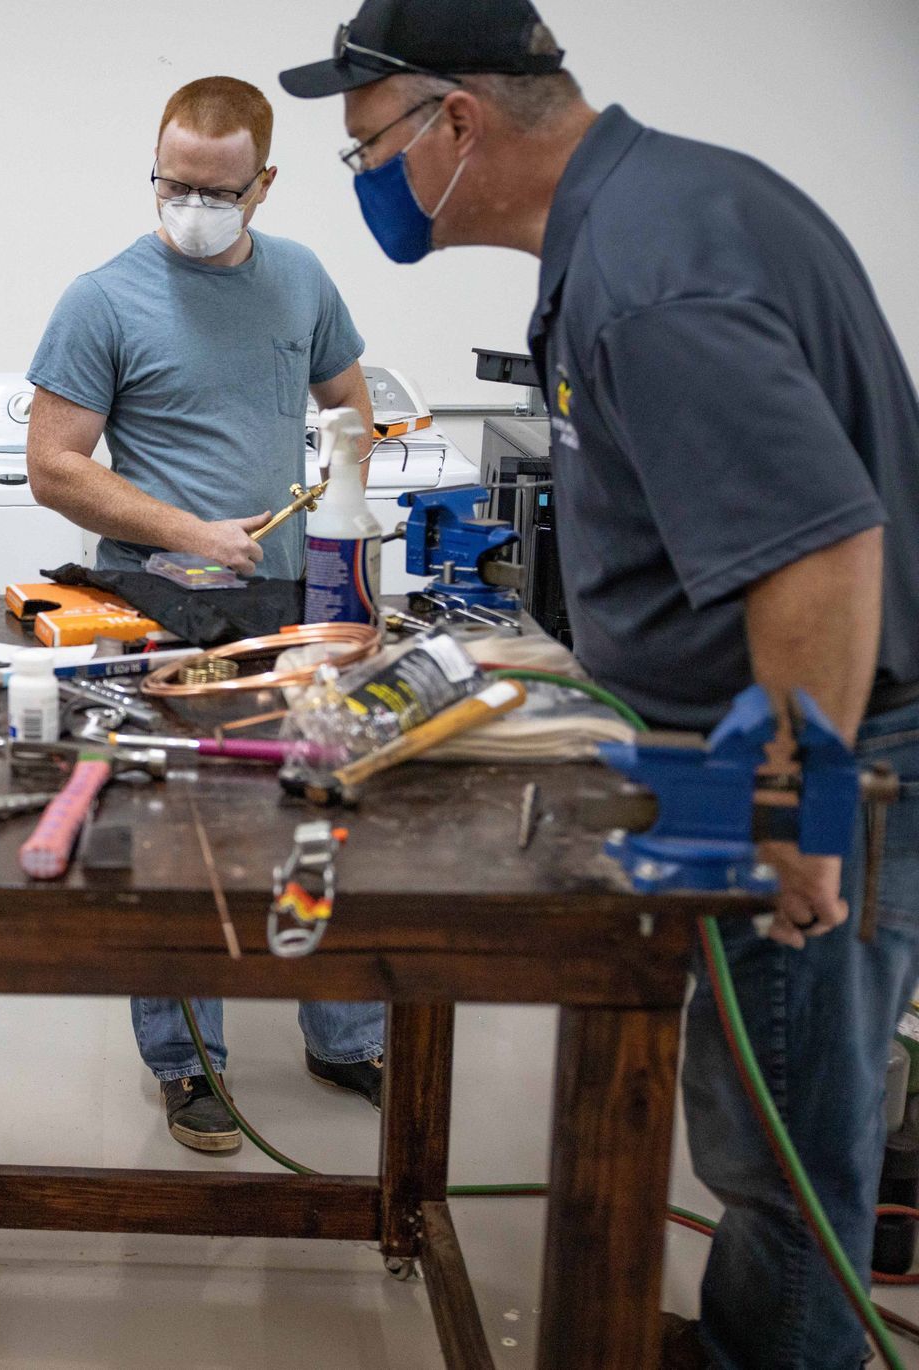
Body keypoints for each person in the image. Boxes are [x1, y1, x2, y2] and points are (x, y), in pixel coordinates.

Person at [281, 3, 919, 1367]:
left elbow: (822, 549)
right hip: (746, 734)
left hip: (816, 748)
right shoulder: (652, 212)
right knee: (761, 1104)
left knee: (787, 1124)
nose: (368, 182)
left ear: (455, 120)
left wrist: (790, 812)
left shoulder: (646, 276)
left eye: (368, 148)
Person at [25, 76, 387, 1154]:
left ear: (263, 184)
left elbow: (351, 411)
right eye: (171, 182)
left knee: (319, 813)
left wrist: (342, 491)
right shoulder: (103, 299)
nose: (189, 204)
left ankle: (347, 1034)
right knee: (175, 843)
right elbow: (52, 467)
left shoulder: (304, 281)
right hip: (159, 610)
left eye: (215, 188)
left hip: (296, 604)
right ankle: (189, 1065)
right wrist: (187, 531)